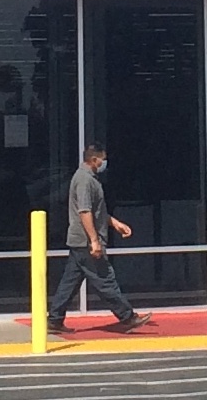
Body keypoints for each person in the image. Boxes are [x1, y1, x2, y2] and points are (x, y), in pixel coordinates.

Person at [51, 140, 144, 334]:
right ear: (94, 160)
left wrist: (115, 223)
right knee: (105, 279)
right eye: (103, 160)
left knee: (70, 282)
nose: (104, 163)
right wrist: (94, 240)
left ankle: (54, 319)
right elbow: (85, 212)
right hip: (86, 242)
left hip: (80, 242)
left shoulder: (89, 179)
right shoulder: (85, 181)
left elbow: (96, 212)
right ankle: (127, 317)